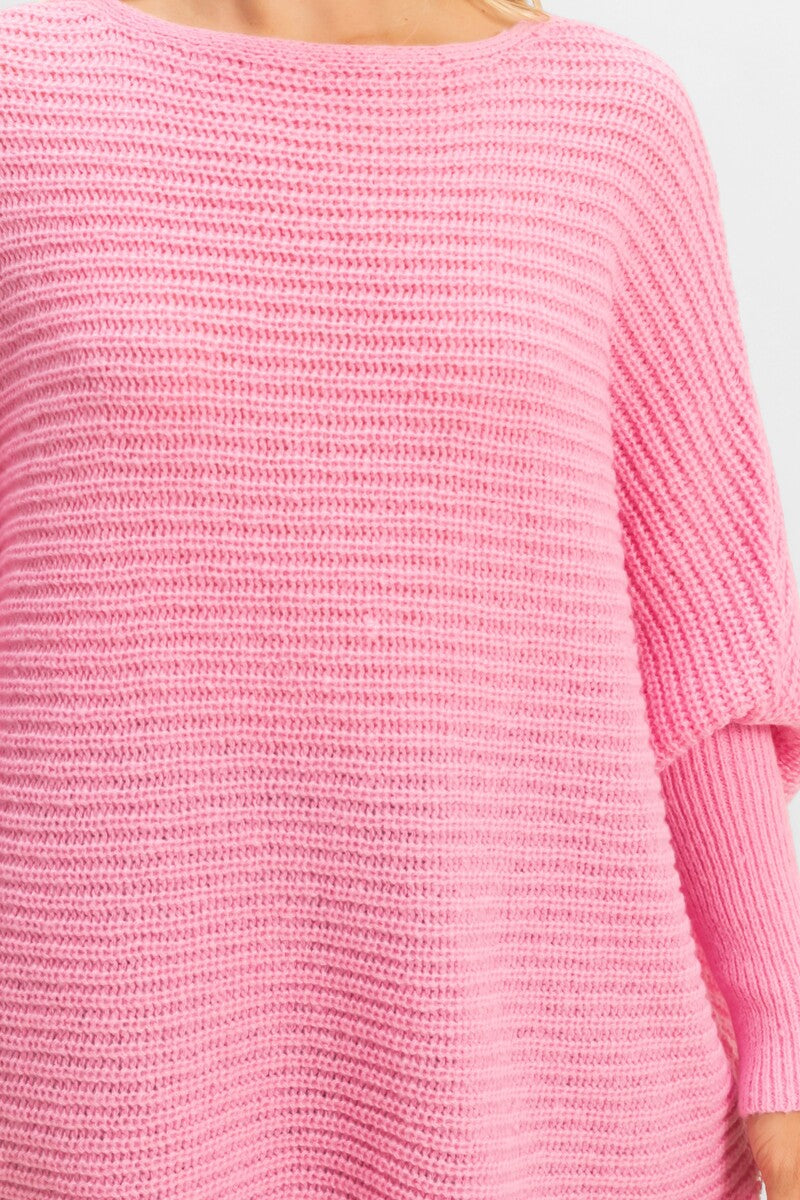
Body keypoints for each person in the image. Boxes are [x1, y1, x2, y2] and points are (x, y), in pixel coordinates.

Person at [1, 1, 799, 1197]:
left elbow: (699, 626)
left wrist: (780, 1025)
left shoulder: (607, 124)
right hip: (97, 1047)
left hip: (527, 1046)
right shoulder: (24, 92)